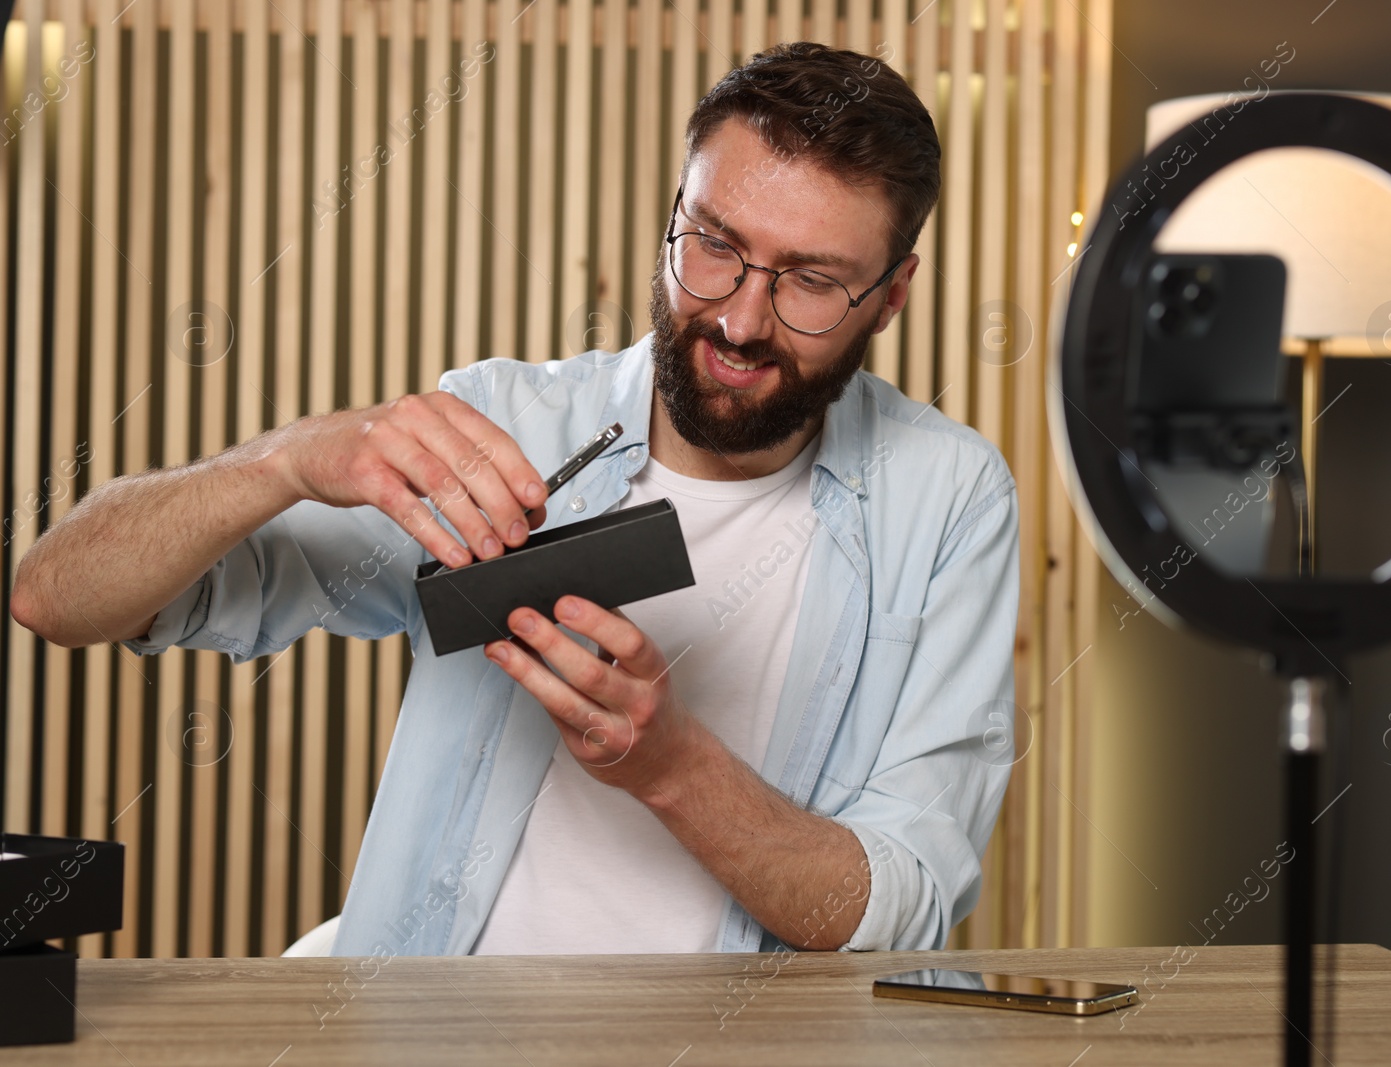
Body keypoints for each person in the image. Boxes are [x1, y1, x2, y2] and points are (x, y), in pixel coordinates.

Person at [11, 42, 1020, 958]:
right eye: (712, 243)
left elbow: (904, 903)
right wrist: (282, 458)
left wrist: (668, 765)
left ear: (892, 292)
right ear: (675, 209)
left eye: (810, 280)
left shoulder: (949, 502)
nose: (740, 318)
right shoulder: (499, 423)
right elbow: (58, 597)